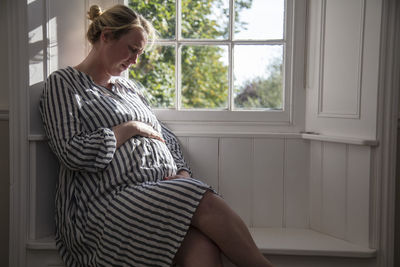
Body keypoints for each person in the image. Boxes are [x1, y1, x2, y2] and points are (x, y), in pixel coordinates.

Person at [40, 4, 274, 267]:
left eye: (139, 53)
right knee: (203, 200)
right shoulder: (64, 84)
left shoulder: (130, 89)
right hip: (104, 203)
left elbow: (166, 137)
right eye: (132, 49)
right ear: (106, 36)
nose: (135, 60)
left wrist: (182, 172)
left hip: (154, 192)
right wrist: (129, 129)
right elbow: (72, 152)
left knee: (201, 245)